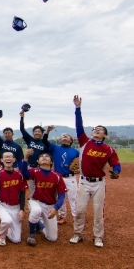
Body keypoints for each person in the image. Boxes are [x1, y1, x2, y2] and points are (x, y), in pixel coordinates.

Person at [69, 95, 121, 248]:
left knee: (98, 211)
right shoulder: (85, 142)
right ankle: (77, 233)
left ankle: (98, 236)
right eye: (95, 129)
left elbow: (115, 163)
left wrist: (117, 171)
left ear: (104, 135)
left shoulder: (108, 149)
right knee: (80, 210)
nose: (96, 130)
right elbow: (79, 126)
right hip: (84, 182)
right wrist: (78, 108)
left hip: (99, 183)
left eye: (100, 130)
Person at [21, 149, 67, 246]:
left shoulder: (57, 176)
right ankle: (31, 234)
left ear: (51, 162)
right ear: (38, 161)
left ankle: (39, 225)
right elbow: (24, 174)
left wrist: (55, 208)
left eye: (47, 157)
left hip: (50, 205)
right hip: (35, 201)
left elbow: (62, 195)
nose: (44, 157)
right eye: (42, 157)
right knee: (36, 211)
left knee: (52, 238)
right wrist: (25, 158)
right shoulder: (35, 171)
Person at [42, 126, 79, 224]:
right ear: (60, 139)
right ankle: (63, 216)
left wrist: (79, 169)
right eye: (63, 136)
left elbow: (80, 164)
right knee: (60, 197)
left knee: (73, 198)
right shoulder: (55, 148)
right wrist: (47, 131)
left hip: (70, 177)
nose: (65, 136)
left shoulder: (75, 152)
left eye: (67, 136)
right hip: (58, 177)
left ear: (71, 141)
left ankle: (76, 217)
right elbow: (44, 141)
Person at [0, 152, 27, 246]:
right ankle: (1, 235)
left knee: (16, 240)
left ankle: (8, 227)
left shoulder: (19, 174)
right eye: (5, 157)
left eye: (10, 157)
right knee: (7, 221)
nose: (8, 159)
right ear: (2, 160)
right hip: (3, 205)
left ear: (14, 160)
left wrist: (22, 209)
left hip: (16, 207)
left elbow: (22, 193)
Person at [19, 110, 48, 197]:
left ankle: (37, 201)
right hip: (29, 166)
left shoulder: (44, 143)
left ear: (42, 134)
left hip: (39, 167)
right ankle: (29, 201)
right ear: (33, 133)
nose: (37, 133)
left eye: (39, 131)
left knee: (39, 186)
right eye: (35, 131)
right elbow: (22, 129)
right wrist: (22, 117)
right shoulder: (30, 140)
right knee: (27, 185)